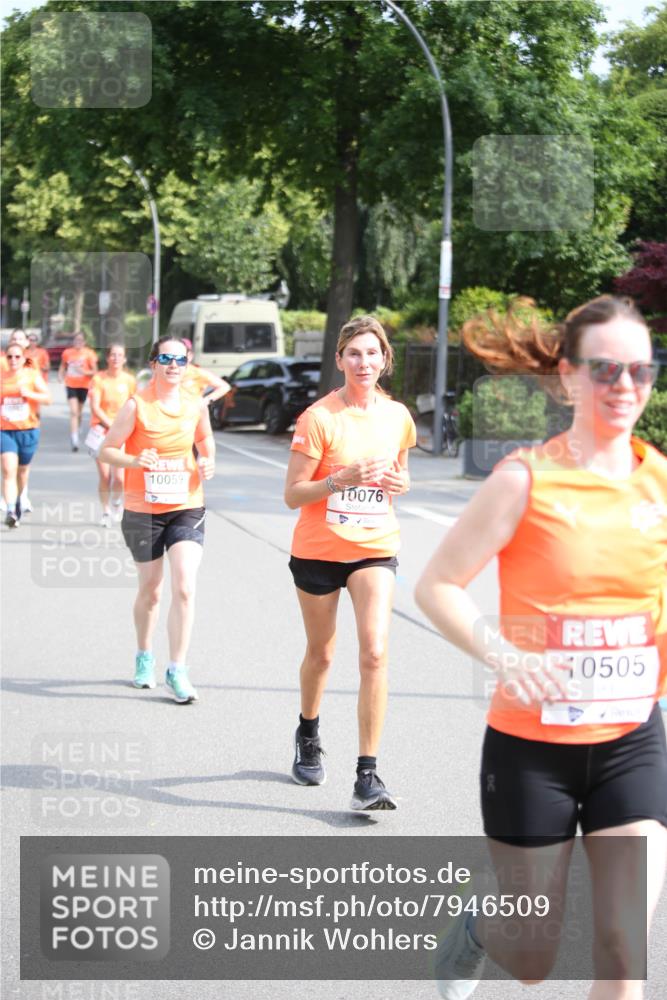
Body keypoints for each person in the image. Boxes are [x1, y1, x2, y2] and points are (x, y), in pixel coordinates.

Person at [415, 295, 666, 999]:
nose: (624, 387)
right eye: (605, 370)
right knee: (531, 960)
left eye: (641, 372)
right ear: (566, 377)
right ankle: (476, 926)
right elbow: (436, 586)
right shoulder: (524, 479)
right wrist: (506, 658)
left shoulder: (659, 482)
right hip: (531, 751)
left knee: (622, 953)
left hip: (630, 743)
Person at [284, 315, 416, 810]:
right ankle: (308, 731)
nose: (364, 362)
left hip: (374, 546)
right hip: (319, 550)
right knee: (321, 654)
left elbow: (401, 476)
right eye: (354, 353)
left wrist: (401, 484)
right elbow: (293, 495)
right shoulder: (319, 418)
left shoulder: (398, 416)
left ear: (385, 360)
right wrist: (341, 480)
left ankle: (368, 775)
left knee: (375, 652)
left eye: (373, 353)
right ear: (339, 360)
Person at [99, 337, 215, 703]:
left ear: (187, 363)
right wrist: (134, 462)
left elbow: (206, 439)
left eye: (180, 359)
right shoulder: (136, 406)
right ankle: (144, 655)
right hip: (142, 508)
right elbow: (107, 449)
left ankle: (177, 669)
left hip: (186, 504)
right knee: (151, 591)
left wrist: (208, 460)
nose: (173, 365)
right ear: (154, 363)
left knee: (184, 586)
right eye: (165, 358)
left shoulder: (196, 405)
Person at [1, 342, 51, 527]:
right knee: (8, 470)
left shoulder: (31, 376)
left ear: (24, 359)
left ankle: (20, 499)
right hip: (5, 430)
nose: (13, 360)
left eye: (17, 357)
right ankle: (11, 510)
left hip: (28, 430)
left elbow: (48, 399)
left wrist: (29, 394)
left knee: (22, 473)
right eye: (10, 357)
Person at [87, 344, 136, 526]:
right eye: (112, 355)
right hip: (100, 431)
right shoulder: (98, 379)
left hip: (121, 433)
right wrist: (111, 425)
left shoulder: (129, 380)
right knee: (105, 476)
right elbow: (95, 407)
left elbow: (135, 404)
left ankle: (116, 501)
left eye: (120, 355)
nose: (116, 358)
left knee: (120, 478)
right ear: (107, 358)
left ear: (124, 359)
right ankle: (106, 511)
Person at [58, 332, 98, 451]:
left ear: (84, 342)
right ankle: (74, 438)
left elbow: (95, 371)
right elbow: (62, 366)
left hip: (84, 385)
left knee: (79, 412)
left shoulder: (89, 354)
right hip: (70, 384)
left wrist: (84, 372)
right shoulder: (67, 353)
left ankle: (77, 426)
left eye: (80, 340)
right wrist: (61, 375)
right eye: (76, 340)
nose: (78, 343)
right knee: (74, 412)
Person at [180, 338, 230, 405]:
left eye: (181, 355)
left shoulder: (198, 372)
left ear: (190, 356)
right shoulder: (166, 370)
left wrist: (205, 401)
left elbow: (224, 387)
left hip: (192, 413)